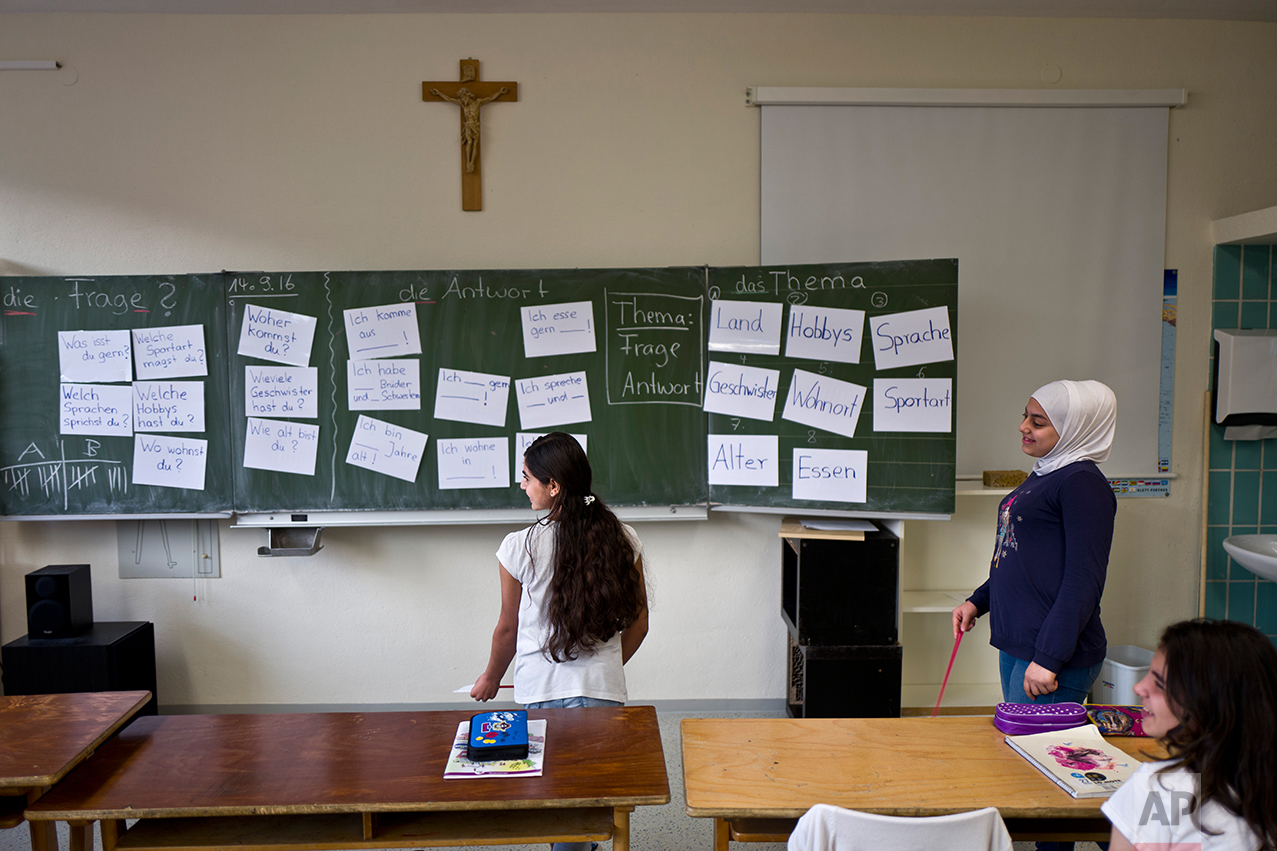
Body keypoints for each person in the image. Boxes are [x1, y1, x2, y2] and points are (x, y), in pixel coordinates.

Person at [952, 380, 1117, 705]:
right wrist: (977, 602)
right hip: (1023, 644)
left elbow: (1084, 581)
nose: (1023, 427)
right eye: (1026, 416)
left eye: (1038, 422)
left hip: (1053, 656)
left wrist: (1048, 658)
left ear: (1074, 428)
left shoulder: (1081, 484)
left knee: (1028, 752)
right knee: (1014, 746)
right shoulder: (1046, 472)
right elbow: (1020, 560)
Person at [471, 431, 649, 709]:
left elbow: (508, 629)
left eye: (527, 477)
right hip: (602, 689)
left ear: (553, 485)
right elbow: (640, 623)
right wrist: (606, 668)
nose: (522, 485)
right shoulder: (623, 538)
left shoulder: (519, 546)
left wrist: (491, 678)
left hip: (541, 690)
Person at [1102, 619, 1277, 851]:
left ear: (1207, 705)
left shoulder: (1161, 788)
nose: (1139, 688)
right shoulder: (1261, 787)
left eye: (1161, 685)